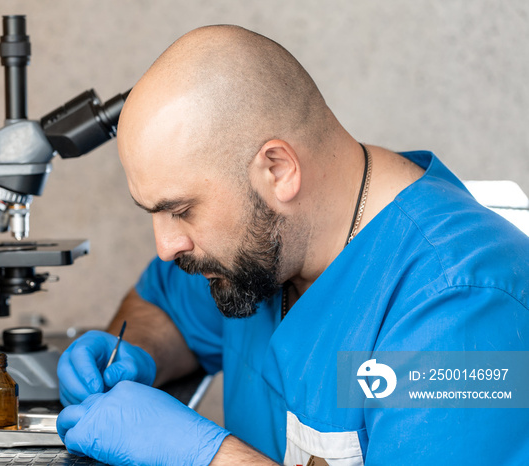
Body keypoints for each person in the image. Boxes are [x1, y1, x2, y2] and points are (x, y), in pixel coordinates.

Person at [56, 25, 529, 465]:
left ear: (277, 170)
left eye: (181, 210)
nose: (165, 245)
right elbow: (164, 309)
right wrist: (133, 353)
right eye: (154, 213)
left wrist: (206, 456)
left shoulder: (462, 306)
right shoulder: (255, 253)